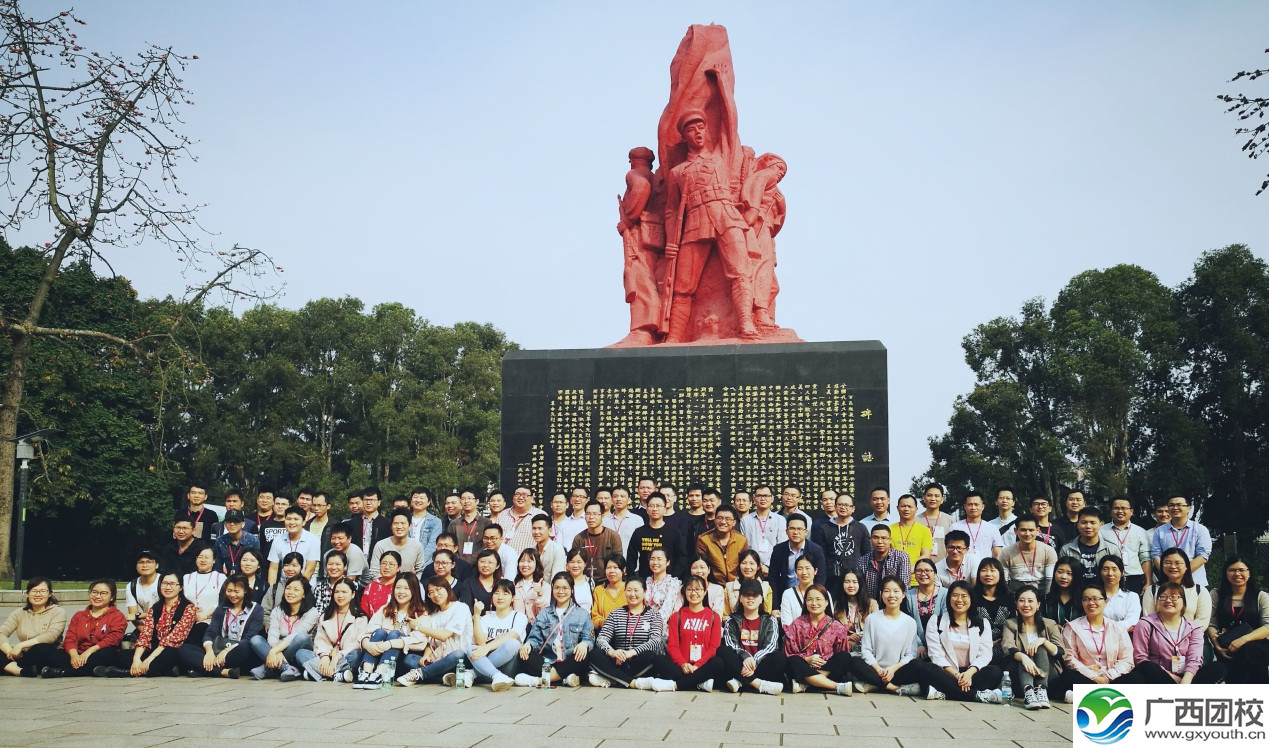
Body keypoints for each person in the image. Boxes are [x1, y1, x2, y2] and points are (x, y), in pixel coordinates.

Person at [98, 572, 196, 678]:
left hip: (172, 648)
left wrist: (148, 660)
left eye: (173, 584)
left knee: (168, 656)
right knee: (122, 656)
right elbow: (145, 635)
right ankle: (157, 670)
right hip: (154, 647)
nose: (168, 587)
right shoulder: (155, 608)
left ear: (180, 587)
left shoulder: (188, 608)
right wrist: (136, 659)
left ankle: (124, 673)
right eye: (165, 583)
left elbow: (172, 639)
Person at [637, 575, 724, 692]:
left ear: (705, 592)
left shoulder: (714, 617)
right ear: (684, 592)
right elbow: (672, 646)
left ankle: (676, 685)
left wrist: (697, 665)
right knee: (659, 660)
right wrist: (683, 664)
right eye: (689, 589)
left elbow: (714, 647)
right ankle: (699, 683)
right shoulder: (676, 616)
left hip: (703, 666)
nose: (693, 593)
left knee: (718, 662)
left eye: (698, 589)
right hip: (681, 667)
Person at [922, 580, 1004, 702]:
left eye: (964, 596)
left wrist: (969, 673)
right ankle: (976, 695)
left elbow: (985, 654)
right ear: (949, 599)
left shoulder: (982, 623)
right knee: (928, 668)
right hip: (946, 672)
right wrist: (956, 675)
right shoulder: (936, 621)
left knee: (995, 672)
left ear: (971, 599)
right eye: (955, 595)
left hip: (972, 673)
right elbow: (935, 654)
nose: (959, 600)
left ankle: (946, 693)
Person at [513, 572, 594, 688]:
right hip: (548, 662)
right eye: (557, 588)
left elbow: (589, 638)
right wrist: (528, 645)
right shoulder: (544, 613)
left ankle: (540, 681)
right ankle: (564, 678)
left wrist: (584, 644)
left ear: (572, 590)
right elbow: (535, 639)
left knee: (584, 655)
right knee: (524, 655)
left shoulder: (582, 614)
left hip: (570, 660)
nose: (561, 592)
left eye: (565, 588)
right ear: (552, 590)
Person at [587, 577, 667, 688]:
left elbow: (655, 641)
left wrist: (632, 652)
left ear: (644, 592)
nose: (632, 594)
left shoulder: (654, 615)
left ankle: (613, 679)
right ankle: (631, 682)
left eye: (636, 590)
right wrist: (612, 652)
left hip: (640, 663)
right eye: (629, 590)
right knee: (594, 654)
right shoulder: (615, 614)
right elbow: (601, 638)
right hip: (618, 662)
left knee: (651, 656)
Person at [179, 573, 263, 679]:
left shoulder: (256, 610)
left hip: (237, 652)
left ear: (245, 591)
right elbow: (210, 633)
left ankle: (204, 669)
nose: (232, 595)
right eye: (229, 591)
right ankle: (223, 671)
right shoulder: (221, 608)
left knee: (246, 646)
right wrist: (209, 652)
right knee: (184, 649)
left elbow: (249, 638)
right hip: (218, 650)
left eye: (237, 592)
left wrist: (226, 651)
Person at [1058, 584, 1134, 699]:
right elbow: (1069, 658)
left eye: (1095, 599)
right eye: (1086, 599)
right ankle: (1109, 695)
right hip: (1085, 676)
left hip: (1113, 678)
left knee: (1136, 677)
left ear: (1105, 601)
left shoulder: (1117, 628)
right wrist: (1093, 677)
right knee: (1067, 675)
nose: (1091, 603)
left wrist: (1108, 676)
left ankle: (1085, 695)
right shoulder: (1072, 627)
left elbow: (1127, 660)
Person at [355, 573, 429, 689]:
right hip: (378, 653)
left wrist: (389, 644)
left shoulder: (420, 613)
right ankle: (366, 673)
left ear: (414, 591)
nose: (401, 592)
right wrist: (367, 644)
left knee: (395, 634)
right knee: (379, 632)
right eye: (398, 588)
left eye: (406, 588)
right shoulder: (385, 609)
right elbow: (368, 632)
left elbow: (419, 641)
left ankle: (380, 673)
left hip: (401, 659)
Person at [38, 579, 124, 678]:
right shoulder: (79, 616)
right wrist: (74, 655)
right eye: (94, 592)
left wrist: (89, 651)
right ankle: (86, 670)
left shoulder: (117, 616)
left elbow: (113, 639)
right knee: (45, 650)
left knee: (109, 654)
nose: (97, 596)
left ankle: (63, 672)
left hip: (98, 653)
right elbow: (70, 638)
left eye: (103, 593)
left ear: (112, 597)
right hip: (78, 653)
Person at [1203, 555, 1269, 684]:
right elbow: (1211, 623)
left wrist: (1242, 640)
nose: (1237, 573)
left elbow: (1267, 626)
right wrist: (1217, 646)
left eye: (1242, 570)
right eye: (1232, 570)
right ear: (1226, 573)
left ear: (1249, 573)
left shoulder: (1260, 596)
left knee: (1248, 651)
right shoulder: (1216, 594)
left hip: (1256, 648)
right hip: (1226, 649)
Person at [851, 576, 922, 695]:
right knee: (854, 662)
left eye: (896, 591)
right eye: (887, 591)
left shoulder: (910, 622)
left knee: (918, 665)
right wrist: (879, 670)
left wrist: (893, 669)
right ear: (881, 594)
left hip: (898, 671)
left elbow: (911, 654)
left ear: (903, 594)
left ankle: (874, 685)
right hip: (874, 670)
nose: (891, 595)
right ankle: (894, 688)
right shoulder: (872, 619)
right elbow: (866, 650)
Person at [782, 584, 854, 695]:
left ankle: (807, 684)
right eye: (810, 599)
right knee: (794, 661)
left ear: (826, 602)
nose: (814, 603)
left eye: (818, 599)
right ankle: (836, 687)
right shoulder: (797, 624)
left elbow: (841, 652)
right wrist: (807, 659)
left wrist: (827, 662)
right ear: (805, 603)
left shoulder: (836, 626)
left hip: (826, 667)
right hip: (804, 666)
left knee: (845, 657)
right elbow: (789, 652)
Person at [718, 579, 785, 694]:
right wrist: (745, 657)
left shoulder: (770, 620)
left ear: (761, 599)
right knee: (723, 650)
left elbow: (771, 646)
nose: (750, 598)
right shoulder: (731, 620)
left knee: (779, 657)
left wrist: (753, 660)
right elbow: (731, 644)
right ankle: (758, 684)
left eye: (755, 595)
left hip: (758, 664)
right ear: (740, 598)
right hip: (739, 663)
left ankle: (740, 681)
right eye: (746, 594)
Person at [1001, 585, 1062, 709]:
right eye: (1022, 600)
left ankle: (1041, 690)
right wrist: (1024, 657)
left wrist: (1043, 641)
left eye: (1030, 601)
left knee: (1039, 647)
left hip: (1048, 673)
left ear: (1038, 604)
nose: (1026, 604)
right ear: (1016, 604)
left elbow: (1060, 652)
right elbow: (1008, 648)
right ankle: (1028, 691)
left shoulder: (1049, 624)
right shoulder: (1010, 624)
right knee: (1024, 653)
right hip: (1020, 673)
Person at [1131, 581, 1203, 685]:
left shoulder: (1194, 628)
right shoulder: (1145, 624)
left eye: (1174, 597)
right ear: (1157, 603)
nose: (1168, 600)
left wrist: (1186, 680)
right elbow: (1140, 658)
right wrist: (1174, 678)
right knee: (1146, 666)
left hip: (1187, 677)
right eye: (1163, 597)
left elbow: (1195, 658)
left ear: (1184, 603)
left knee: (1217, 668)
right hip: (1158, 676)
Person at [460, 579, 527, 690]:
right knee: (471, 649)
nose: (500, 597)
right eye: (496, 593)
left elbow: (512, 635)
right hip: (487, 666)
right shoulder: (486, 618)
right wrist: (476, 616)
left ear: (513, 598)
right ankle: (497, 676)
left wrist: (486, 648)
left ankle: (472, 674)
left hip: (509, 666)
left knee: (512, 643)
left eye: (505, 594)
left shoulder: (519, 616)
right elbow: (480, 642)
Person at [250, 575, 319, 681]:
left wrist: (273, 652)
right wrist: (275, 649)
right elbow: (273, 633)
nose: (290, 592)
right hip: (278, 647)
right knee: (255, 640)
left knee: (302, 637)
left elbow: (296, 634)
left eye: (296, 590)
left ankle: (267, 668)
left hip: (299, 649)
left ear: (304, 594)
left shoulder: (312, 612)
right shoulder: (277, 610)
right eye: (288, 588)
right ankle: (286, 667)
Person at [298, 577, 366, 682]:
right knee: (301, 653)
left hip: (344, 656)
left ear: (352, 594)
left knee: (356, 655)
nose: (340, 595)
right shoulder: (326, 616)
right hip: (327, 656)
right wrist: (324, 656)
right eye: (337, 592)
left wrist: (338, 656)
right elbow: (320, 641)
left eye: (344, 592)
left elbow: (358, 643)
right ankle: (338, 675)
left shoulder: (360, 617)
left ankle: (318, 673)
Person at [0, 577, 66, 677]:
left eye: (42, 591)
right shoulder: (19, 613)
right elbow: (2, 632)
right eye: (34, 591)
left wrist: (20, 645)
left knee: (40, 648)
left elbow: (51, 636)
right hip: (23, 655)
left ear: (49, 594)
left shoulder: (58, 612)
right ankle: (19, 671)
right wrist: (9, 651)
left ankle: (8, 667)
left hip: (47, 652)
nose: (38, 594)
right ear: (28, 594)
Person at [1149, 496, 1213, 589]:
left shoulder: (1200, 529)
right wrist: (1170, 574)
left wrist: (1181, 572)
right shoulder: (1159, 531)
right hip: (1168, 583)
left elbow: (1203, 556)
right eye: (1171, 505)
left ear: (1188, 508)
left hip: (1195, 582)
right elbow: (1156, 555)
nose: (1175, 508)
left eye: (1179, 505)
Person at [1142, 547, 1210, 630]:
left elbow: (1202, 621)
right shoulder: (1152, 590)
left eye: (1178, 563)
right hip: (1160, 639)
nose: (1173, 566)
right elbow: (1149, 620)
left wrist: (1182, 635)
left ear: (1186, 566)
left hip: (1191, 639)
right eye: (1168, 563)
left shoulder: (1200, 591)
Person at [815, 491, 870, 588]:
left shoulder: (861, 528)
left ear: (853, 508)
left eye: (846, 505)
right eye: (840, 504)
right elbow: (821, 556)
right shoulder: (824, 528)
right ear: (835, 507)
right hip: (832, 579)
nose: (843, 507)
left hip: (855, 579)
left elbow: (867, 554)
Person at [769, 514, 826, 606]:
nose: (795, 532)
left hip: (810, 598)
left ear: (806, 532)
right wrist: (775, 606)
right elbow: (773, 578)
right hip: (785, 596)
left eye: (799, 529)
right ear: (786, 531)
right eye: (792, 529)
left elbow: (820, 578)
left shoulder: (816, 550)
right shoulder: (778, 550)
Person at [627, 493, 683, 579]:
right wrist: (631, 577)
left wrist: (674, 577)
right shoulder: (639, 532)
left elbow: (681, 557)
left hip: (668, 581)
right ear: (647, 509)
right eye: (651, 506)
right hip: (644, 580)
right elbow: (631, 557)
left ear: (665, 509)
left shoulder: (674, 532)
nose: (655, 509)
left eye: (658, 506)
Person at [1059, 507, 1121, 583]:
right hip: (1076, 592)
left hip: (1103, 592)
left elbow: (1118, 575)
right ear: (1077, 524)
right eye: (1084, 522)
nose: (1088, 526)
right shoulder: (1067, 549)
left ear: (1101, 525)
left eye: (1093, 523)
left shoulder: (1111, 549)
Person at [972, 557, 1014, 667]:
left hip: (1004, 644)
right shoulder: (972, 596)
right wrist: (986, 644)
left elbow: (1014, 623)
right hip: (977, 646)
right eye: (984, 570)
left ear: (1000, 573)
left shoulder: (1009, 597)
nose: (988, 574)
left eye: (993, 570)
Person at [1000, 516, 1057, 594]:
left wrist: (1046, 600)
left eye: (1031, 530)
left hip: (1042, 596)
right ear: (1016, 531)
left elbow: (1050, 581)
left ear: (1037, 531)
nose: (1027, 534)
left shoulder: (1048, 551)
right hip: (1016, 596)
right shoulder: (1006, 553)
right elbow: (1004, 582)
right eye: (1023, 530)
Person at [572, 501, 624, 585]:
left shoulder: (613, 537)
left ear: (602, 516)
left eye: (595, 514)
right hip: (583, 581)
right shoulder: (579, 538)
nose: (591, 517)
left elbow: (618, 563)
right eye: (588, 514)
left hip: (607, 582)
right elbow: (574, 562)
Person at [902, 559, 946, 659]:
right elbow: (908, 624)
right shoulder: (908, 596)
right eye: (919, 571)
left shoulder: (945, 594)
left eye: (927, 570)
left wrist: (934, 645)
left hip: (940, 645)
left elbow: (945, 622)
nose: (923, 574)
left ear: (935, 574)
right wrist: (918, 644)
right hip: (915, 646)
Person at [1107, 496, 1151, 593]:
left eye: (1124, 508)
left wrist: (1148, 582)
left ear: (1131, 511)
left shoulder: (1140, 532)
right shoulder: (1101, 531)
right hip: (1109, 579)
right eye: (1116, 508)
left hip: (1134, 578)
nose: (1120, 511)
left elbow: (1145, 558)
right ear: (1111, 511)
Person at [855, 524, 912, 599]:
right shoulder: (862, 561)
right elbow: (860, 587)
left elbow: (904, 585)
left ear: (890, 540)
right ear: (870, 540)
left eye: (884, 538)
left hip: (894, 601)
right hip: (870, 604)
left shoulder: (901, 557)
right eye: (876, 538)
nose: (880, 541)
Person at [697, 505, 749, 586]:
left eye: (728, 519)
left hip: (736, 585)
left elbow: (745, 564)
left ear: (734, 522)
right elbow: (702, 566)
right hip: (713, 585)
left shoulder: (741, 540)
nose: (723, 522)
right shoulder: (704, 539)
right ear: (715, 520)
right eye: (720, 518)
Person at [739, 486, 787, 573]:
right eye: (759, 496)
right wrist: (757, 565)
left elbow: (782, 546)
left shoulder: (780, 520)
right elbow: (744, 547)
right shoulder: (745, 520)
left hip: (775, 567)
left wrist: (767, 565)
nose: (762, 498)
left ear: (772, 498)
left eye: (766, 496)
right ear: (754, 499)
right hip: (751, 569)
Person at [183, 546, 226, 641]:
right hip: (188, 619)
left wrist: (205, 615)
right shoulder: (187, 578)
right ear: (196, 559)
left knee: (200, 630)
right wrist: (193, 614)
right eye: (200, 557)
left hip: (210, 619)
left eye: (207, 557)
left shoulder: (220, 578)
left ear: (214, 560)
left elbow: (223, 603)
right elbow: (183, 601)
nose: (203, 560)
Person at [267, 506, 320, 583]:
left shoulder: (313, 540)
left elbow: (309, 570)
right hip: (284, 583)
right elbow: (273, 568)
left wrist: (298, 587)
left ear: (304, 522)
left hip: (306, 584)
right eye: (288, 519)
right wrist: (272, 590)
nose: (292, 522)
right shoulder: (278, 540)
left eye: (296, 519)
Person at [369, 508, 426, 577]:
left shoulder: (417, 546)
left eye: (403, 523)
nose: (399, 527)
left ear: (410, 526)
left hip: (408, 586)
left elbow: (420, 571)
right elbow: (374, 572)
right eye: (396, 523)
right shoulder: (381, 545)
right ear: (391, 526)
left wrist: (411, 583)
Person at [949, 492, 1004, 560]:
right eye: (970, 504)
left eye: (976, 504)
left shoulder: (992, 528)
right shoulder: (955, 527)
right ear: (965, 507)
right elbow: (949, 552)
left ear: (982, 507)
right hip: (961, 568)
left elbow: (998, 555)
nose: (973, 507)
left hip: (984, 569)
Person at [835, 569, 877, 655]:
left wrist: (861, 637)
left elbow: (876, 629)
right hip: (844, 649)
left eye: (855, 582)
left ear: (860, 584)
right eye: (847, 582)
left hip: (867, 648)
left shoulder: (872, 604)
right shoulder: (836, 605)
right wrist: (847, 637)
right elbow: (832, 632)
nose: (851, 585)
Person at [889, 494, 933, 573]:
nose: (906, 509)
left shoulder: (924, 530)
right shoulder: (889, 530)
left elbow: (926, 555)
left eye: (910, 506)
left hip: (916, 579)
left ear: (916, 509)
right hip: (894, 579)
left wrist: (910, 569)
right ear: (897, 508)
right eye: (903, 506)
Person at [722, 549, 773, 617]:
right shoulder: (729, 587)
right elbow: (725, 616)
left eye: (752, 563)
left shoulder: (766, 587)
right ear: (739, 566)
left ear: (758, 567)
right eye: (744, 563)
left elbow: (767, 613)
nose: (747, 567)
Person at [644, 548, 682, 637]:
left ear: (667, 562)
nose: (655, 562)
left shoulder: (673, 583)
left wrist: (648, 626)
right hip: (642, 627)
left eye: (659, 559)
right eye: (652, 559)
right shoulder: (646, 582)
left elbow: (667, 610)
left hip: (662, 629)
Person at [499, 485, 547, 554]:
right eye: (517, 494)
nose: (521, 497)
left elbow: (545, 541)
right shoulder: (503, 515)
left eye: (525, 495)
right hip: (503, 561)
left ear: (532, 498)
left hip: (528, 562)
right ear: (513, 497)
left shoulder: (540, 515)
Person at [1098, 556, 1141, 631]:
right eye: (1105, 569)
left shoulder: (1131, 596)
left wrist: (1104, 628)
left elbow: (1132, 621)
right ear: (1100, 572)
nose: (1110, 573)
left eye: (1114, 569)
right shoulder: (1094, 596)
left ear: (1122, 573)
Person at [123, 550, 161, 635]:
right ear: (136, 566)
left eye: (149, 562)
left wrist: (138, 616)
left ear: (157, 565)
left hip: (168, 625)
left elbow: (167, 611)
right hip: (147, 627)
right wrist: (146, 633)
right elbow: (133, 615)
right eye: (141, 562)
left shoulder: (164, 582)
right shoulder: (132, 586)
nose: (145, 565)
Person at [780, 556, 826, 626]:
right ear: (795, 572)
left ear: (815, 571)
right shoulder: (788, 594)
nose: (804, 572)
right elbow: (786, 624)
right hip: (794, 635)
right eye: (800, 569)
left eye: (807, 568)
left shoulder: (824, 593)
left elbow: (829, 621)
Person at [261, 551, 305, 623]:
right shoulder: (275, 588)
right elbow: (264, 611)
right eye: (287, 565)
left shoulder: (307, 588)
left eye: (294, 565)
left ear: (301, 567)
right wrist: (268, 624)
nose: (290, 569)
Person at [447, 490, 490, 563]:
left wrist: (474, 559)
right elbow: (450, 544)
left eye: (469, 498)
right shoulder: (453, 524)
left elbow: (486, 545)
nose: (466, 501)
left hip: (479, 565)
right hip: (458, 565)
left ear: (476, 501)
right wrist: (460, 562)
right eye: (463, 499)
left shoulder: (486, 522)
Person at [213, 509, 260, 575]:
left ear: (243, 524)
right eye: (229, 521)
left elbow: (257, 566)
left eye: (236, 521)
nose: (232, 524)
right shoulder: (220, 541)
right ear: (225, 524)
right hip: (226, 579)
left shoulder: (252, 541)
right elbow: (217, 567)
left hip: (247, 578)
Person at [1041, 558, 1084, 627]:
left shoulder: (1083, 600)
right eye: (1060, 572)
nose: (1063, 577)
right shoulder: (1045, 600)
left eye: (1069, 574)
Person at [458, 549, 502, 616]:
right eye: (482, 562)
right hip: (475, 622)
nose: (485, 565)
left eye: (490, 562)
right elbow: (465, 609)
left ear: (497, 566)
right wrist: (485, 613)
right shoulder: (468, 583)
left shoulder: (502, 584)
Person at [918, 483, 956, 562]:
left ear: (942, 499)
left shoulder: (950, 521)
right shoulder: (916, 520)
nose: (933, 498)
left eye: (936, 496)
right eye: (929, 495)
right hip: (921, 567)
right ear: (924, 498)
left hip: (944, 566)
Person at [406, 487, 442, 567]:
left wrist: (418, 563)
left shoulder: (435, 522)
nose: (418, 500)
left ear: (428, 502)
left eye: (422, 498)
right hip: (405, 563)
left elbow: (432, 545)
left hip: (426, 565)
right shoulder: (404, 520)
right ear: (411, 501)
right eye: (415, 497)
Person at [591, 555, 628, 631]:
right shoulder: (599, 590)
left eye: (615, 567)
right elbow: (594, 618)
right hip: (604, 632)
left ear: (624, 570)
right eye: (608, 568)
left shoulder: (630, 589)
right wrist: (603, 622)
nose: (611, 571)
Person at [603, 486, 645, 554]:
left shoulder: (637, 520)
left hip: (631, 562)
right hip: (611, 562)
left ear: (629, 500)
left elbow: (641, 544)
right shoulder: (605, 521)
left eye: (622, 496)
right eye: (615, 496)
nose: (619, 499)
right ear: (611, 500)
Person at [359, 551, 401, 618]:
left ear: (399, 567)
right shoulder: (370, 587)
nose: (386, 567)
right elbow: (364, 611)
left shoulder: (402, 587)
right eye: (383, 564)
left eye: (391, 564)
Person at [685, 555, 726, 619]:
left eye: (702, 567)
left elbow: (717, 615)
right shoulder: (683, 588)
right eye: (694, 568)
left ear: (709, 570)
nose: (699, 571)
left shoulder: (717, 589)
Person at [513, 548, 549, 622]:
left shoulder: (545, 586)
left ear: (537, 564)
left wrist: (540, 594)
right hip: (516, 628)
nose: (525, 564)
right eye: (522, 561)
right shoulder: (513, 585)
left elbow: (545, 614)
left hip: (536, 629)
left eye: (529, 561)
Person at [312, 551, 351, 617]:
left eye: (338, 564)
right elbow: (318, 611)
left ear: (345, 567)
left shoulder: (352, 586)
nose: (333, 567)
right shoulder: (320, 586)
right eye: (330, 564)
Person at [529, 515, 566, 580]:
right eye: (534, 528)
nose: (536, 532)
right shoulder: (531, 550)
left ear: (550, 531)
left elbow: (556, 578)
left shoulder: (557, 550)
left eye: (540, 528)